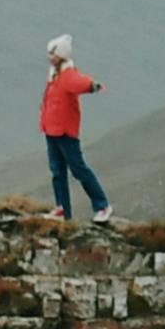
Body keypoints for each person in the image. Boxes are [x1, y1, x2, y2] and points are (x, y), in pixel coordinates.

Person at [39, 35, 113, 224]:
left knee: (78, 169)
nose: (49, 57)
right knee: (57, 171)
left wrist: (92, 86)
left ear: (61, 55)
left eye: (52, 53)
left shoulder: (67, 76)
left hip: (64, 132)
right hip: (52, 131)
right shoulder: (54, 75)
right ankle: (62, 209)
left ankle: (102, 205)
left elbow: (80, 82)